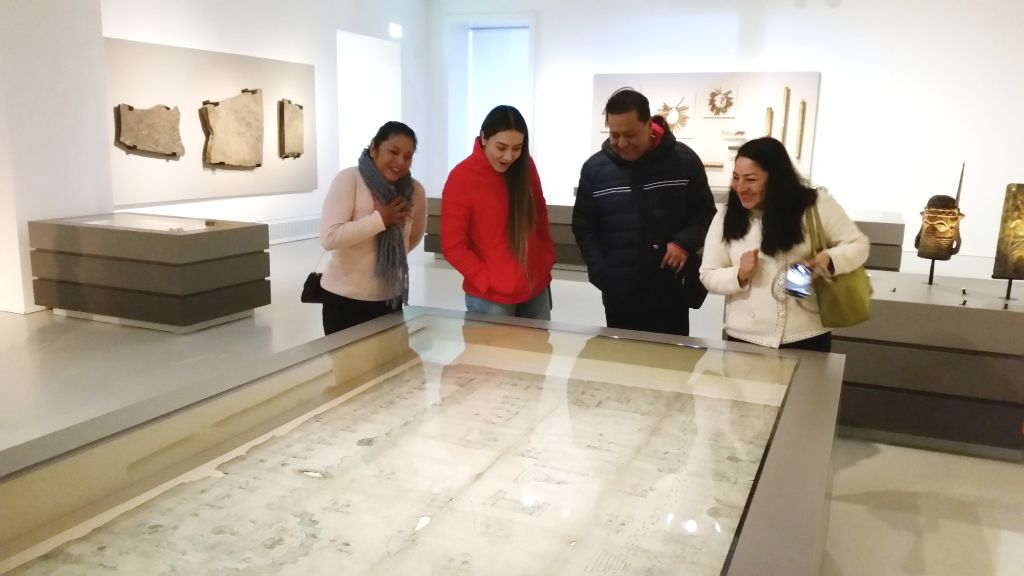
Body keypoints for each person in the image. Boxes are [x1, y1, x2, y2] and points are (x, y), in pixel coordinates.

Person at [699, 136, 870, 351]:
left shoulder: (815, 205)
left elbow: (858, 245)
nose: (740, 187)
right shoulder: (726, 216)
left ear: (776, 178)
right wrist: (739, 275)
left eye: (751, 179)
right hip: (745, 338)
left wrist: (829, 259)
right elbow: (708, 274)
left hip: (807, 333)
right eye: (736, 177)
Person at [573, 88, 716, 336]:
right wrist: (602, 273)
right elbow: (584, 227)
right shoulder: (595, 169)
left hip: (670, 289)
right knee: (621, 368)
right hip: (619, 293)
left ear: (649, 124)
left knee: (672, 367)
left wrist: (683, 243)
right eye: (614, 135)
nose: (621, 143)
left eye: (630, 135)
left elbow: (704, 212)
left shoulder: (683, 161)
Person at [441, 105, 556, 320]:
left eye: (517, 148)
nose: (509, 156)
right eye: (501, 147)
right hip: (491, 298)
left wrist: (546, 257)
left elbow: (540, 213)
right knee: (493, 355)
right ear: (484, 138)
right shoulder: (462, 177)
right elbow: (453, 245)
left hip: (536, 287)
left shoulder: (526, 167)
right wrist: (486, 279)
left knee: (539, 353)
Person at [318, 121, 427, 335]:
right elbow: (330, 237)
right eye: (393, 152)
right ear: (374, 148)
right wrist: (380, 220)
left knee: (388, 366)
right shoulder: (350, 179)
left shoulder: (415, 191)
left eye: (408, 156)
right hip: (344, 299)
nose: (400, 162)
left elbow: (412, 239)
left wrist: (389, 256)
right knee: (348, 367)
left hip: (389, 298)